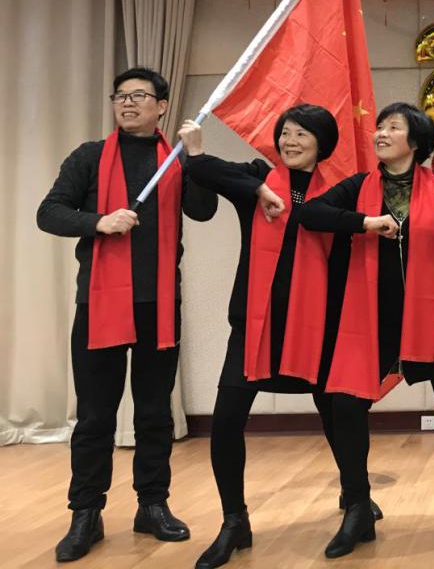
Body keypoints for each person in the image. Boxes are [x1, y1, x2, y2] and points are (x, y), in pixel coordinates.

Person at [180, 105, 373, 568]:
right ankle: (234, 521)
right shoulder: (257, 178)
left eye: (302, 134)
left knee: (339, 417)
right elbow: (207, 171)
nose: (290, 141)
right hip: (255, 325)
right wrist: (256, 186)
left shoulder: (342, 191)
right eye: (285, 133)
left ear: (322, 144)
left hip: (322, 327)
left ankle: (358, 504)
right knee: (226, 420)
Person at [37, 67, 218, 562]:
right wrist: (100, 221)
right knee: (95, 415)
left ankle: (152, 505)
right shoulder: (89, 157)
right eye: (121, 96)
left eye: (140, 95)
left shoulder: (176, 160)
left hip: (158, 305)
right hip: (98, 304)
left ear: (162, 106)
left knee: (154, 412)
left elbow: (203, 211)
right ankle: (86, 513)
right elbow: (49, 212)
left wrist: (197, 156)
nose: (128, 103)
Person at [299, 102, 434, 559]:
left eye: (392, 127)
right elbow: (310, 214)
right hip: (367, 318)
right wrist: (362, 223)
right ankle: (357, 504)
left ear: (415, 142)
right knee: (345, 404)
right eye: (379, 127)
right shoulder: (358, 187)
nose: (380, 133)